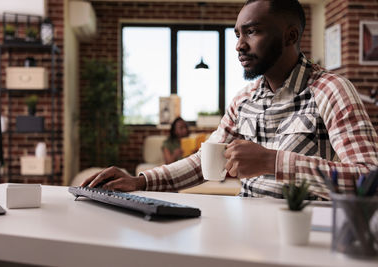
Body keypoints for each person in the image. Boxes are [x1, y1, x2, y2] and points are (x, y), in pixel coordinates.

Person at [82, 0, 378, 199]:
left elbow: (370, 180)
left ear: (290, 36)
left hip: (301, 236)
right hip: (244, 234)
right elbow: (204, 162)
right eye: (237, 34)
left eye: (252, 32)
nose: (238, 45)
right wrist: (141, 181)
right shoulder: (243, 99)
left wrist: (271, 161)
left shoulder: (331, 89)